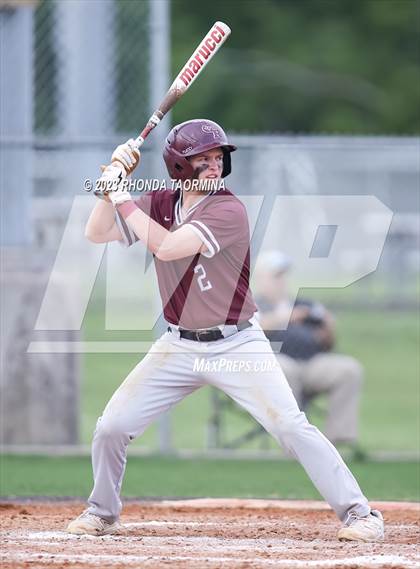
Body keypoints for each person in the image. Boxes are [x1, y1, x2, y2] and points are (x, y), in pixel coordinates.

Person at [66, 119, 383, 541]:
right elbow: (96, 231)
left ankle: (361, 514)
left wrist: (121, 195)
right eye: (203, 159)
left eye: (218, 157)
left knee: (290, 426)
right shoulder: (159, 201)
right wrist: (110, 184)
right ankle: (103, 512)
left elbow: (167, 247)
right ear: (179, 165)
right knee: (111, 427)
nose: (214, 165)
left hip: (237, 344)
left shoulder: (227, 209)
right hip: (178, 345)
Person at [254, 251, 365, 457]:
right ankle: (295, 442)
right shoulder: (253, 305)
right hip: (276, 363)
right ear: (261, 279)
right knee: (283, 369)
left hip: (311, 362)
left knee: (349, 369)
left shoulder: (305, 304)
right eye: (276, 276)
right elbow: (253, 328)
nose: (282, 281)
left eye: (284, 275)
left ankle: (335, 443)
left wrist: (327, 329)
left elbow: (329, 342)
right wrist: (286, 317)